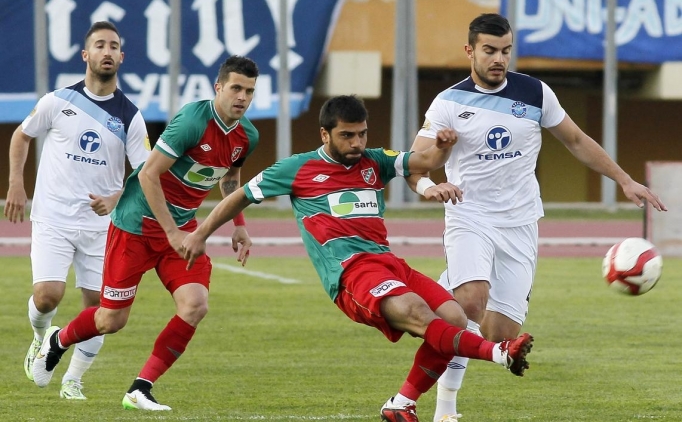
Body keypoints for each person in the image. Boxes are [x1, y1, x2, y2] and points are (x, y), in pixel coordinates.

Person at [179, 95, 534, 421]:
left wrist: (442, 147)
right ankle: (500, 353)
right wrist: (201, 233)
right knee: (417, 312)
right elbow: (239, 195)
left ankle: (401, 404)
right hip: (350, 273)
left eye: (362, 134)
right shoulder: (297, 169)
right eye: (347, 136)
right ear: (325, 134)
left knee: (455, 317)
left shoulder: (375, 160)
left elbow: (424, 161)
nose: (356, 143)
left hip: (389, 263)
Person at [407, 13, 668, 422]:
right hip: (470, 216)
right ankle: (446, 410)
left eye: (506, 51)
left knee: (500, 335)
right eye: (490, 50)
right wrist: (431, 180)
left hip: (521, 223)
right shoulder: (448, 103)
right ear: (470, 51)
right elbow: (415, 165)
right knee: (470, 306)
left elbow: (576, 140)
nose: (499, 59)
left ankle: (446, 287)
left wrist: (624, 179)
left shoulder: (535, 93)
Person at [30, 54, 261, 411]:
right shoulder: (192, 122)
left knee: (195, 305)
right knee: (111, 320)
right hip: (136, 226)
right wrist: (171, 232)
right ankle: (58, 340)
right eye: (235, 88)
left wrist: (240, 226)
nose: (242, 97)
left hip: (181, 231)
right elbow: (148, 174)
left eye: (249, 91)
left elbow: (231, 179)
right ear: (218, 87)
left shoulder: (248, 136)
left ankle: (141, 388)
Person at [3, 21, 150, 400]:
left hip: (102, 226)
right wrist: (16, 183)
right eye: (99, 45)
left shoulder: (130, 116)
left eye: (113, 46)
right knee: (47, 296)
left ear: (121, 57)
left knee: (100, 308)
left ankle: (73, 380)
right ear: (86, 55)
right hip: (53, 217)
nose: (106, 51)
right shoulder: (58, 101)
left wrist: (116, 199)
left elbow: (146, 174)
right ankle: (40, 339)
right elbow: (21, 135)